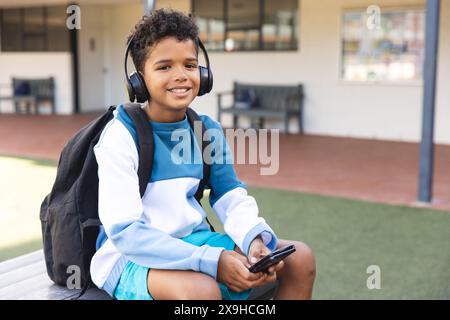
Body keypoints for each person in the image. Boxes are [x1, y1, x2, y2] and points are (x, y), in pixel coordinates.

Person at [90, 9, 316, 300]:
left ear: (204, 73)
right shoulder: (121, 136)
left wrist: (254, 240)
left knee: (300, 259)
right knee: (200, 292)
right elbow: (126, 233)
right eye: (164, 67)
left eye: (189, 64)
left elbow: (231, 197)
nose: (181, 76)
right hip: (130, 256)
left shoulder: (205, 130)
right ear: (138, 81)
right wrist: (211, 261)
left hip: (193, 241)